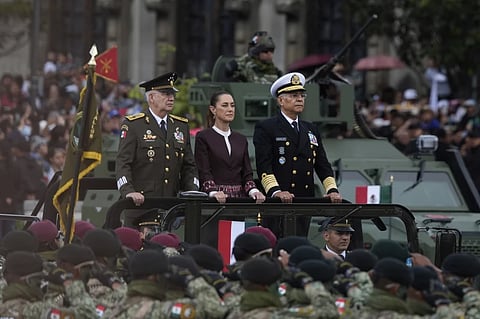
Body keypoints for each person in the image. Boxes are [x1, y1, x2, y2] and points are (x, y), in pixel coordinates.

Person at [253, 72, 342, 237]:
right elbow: (263, 165)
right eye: (294, 95)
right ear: (280, 100)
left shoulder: (310, 129)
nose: (300, 99)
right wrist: (276, 191)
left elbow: (322, 164)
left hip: (303, 201)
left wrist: (331, 189)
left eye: (302, 95)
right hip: (278, 202)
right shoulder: (267, 127)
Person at [115, 72, 199, 225]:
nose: (171, 98)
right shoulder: (134, 125)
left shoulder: (180, 126)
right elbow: (123, 163)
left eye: (172, 94)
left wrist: (192, 192)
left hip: (170, 207)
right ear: (151, 98)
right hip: (141, 206)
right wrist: (128, 192)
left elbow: (189, 166)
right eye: (166, 94)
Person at [195, 90, 265, 203]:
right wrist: (212, 192)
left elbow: (247, 173)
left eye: (232, 105)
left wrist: (253, 191)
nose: (230, 109)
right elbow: (204, 170)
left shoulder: (241, 139)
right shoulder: (204, 137)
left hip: (238, 202)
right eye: (224, 105)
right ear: (213, 109)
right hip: (216, 201)